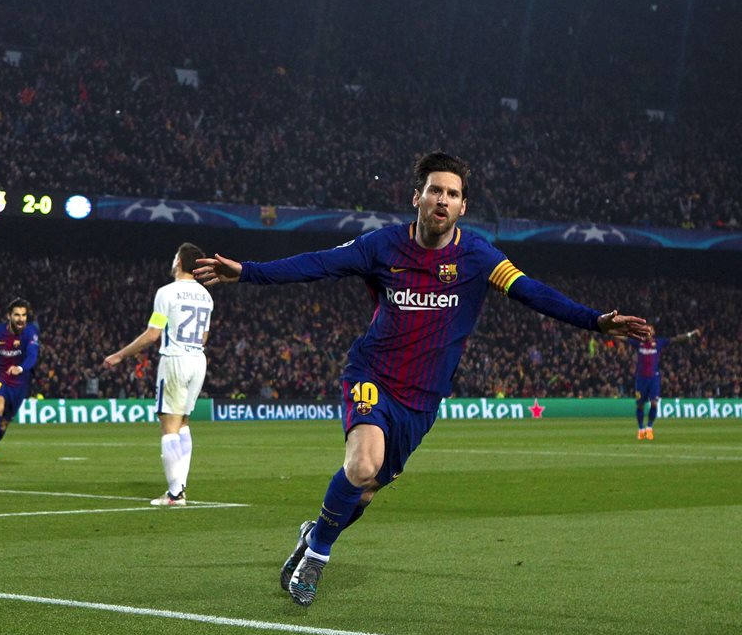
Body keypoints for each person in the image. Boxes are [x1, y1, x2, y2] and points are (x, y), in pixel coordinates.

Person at [193, 151, 648, 607]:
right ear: (418, 197)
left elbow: (531, 291)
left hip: (422, 400)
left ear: (463, 206)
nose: (443, 200)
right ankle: (317, 557)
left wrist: (594, 321)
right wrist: (248, 272)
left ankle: (314, 532)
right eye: (435, 190)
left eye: (452, 193)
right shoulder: (381, 246)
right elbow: (316, 264)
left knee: (365, 493)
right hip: (372, 374)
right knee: (363, 464)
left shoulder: (478, 256)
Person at [105, 243, 213, 506]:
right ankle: (180, 487)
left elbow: (153, 334)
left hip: (175, 361)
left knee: (169, 426)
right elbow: (205, 336)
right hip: (198, 359)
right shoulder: (206, 296)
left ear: (179, 262)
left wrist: (119, 355)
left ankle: (175, 494)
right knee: (184, 423)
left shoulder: (167, 293)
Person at [0, 298, 40, 470]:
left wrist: (20, 368)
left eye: (23, 315)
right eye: (17, 315)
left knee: (4, 424)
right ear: (9, 316)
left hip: (20, 383)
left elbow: (32, 356)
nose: (21, 319)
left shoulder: (30, 332)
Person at [626, 325, 700, 440]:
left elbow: (676, 339)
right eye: (646, 330)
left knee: (654, 403)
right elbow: (623, 338)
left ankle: (649, 428)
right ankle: (641, 429)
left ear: (653, 332)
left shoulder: (659, 343)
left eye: (650, 330)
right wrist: (607, 329)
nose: (648, 332)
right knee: (640, 405)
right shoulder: (638, 342)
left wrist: (692, 333)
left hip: (653, 379)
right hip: (641, 379)